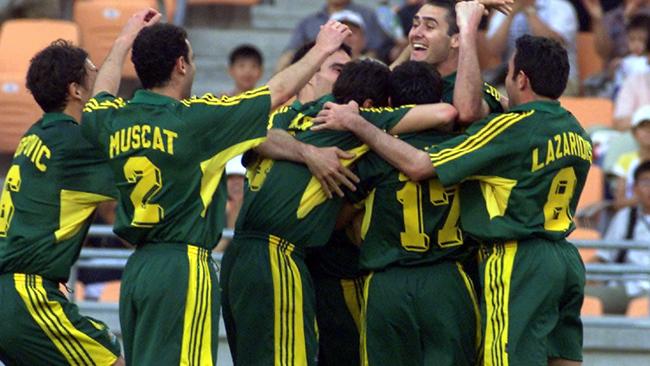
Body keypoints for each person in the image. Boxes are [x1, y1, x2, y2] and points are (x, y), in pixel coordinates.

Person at [80, 19, 353, 365]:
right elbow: (276, 92)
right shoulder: (196, 119)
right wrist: (322, 48)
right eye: (191, 59)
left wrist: (123, 41)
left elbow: (101, 93)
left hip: (136, 270)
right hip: (183, 267)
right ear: (181, 65)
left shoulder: (113, 118)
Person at [314, 31, 592, 366]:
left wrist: (358, 124)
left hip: (515, 257)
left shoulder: (510, 127)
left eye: (507, 74)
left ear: (522, 79)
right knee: (563, 356)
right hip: (561, 257)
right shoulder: (578, 131)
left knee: (504, 358)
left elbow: (419, 164)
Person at [221, 57, 457, 365]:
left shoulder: (292, 116)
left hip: (238, 254)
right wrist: (352, 123)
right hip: (279, 255)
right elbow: (445, 112)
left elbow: (250, 134)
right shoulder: (356, 122)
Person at [0, 8, 159, 365]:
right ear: (75, 90)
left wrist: (123, 40)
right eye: (93, 73)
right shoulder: (75, 146)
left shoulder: (36, 135)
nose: (100, 79)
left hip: (12, 293)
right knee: (113, 360)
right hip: (28, 297)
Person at [344, 60, 480, 366]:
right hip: (448, 279)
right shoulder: (464, 147)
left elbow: (340, 216)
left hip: (387, 281)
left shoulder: (375, 156)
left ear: (390, 104)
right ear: (441, 101)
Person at [587, 161, 650, 314]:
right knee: (573, 296)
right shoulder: (625, 216)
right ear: (635, 188)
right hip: (626, 287)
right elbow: (603, 256)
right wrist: (586, 276)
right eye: (646, 182)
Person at [485, 0, 580, 95]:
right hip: (514, 79)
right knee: (493, 98)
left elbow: (553, 44)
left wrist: (530, 11)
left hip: (556, 80)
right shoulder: (505, 7)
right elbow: (493, 50)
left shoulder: (561, 7)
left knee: (534, 99)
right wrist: (510, 15)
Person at [275, 0, 391, 71]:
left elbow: (377, 49)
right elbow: (290, 52)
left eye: (351, 32)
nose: (346, 37)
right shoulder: (308, 21)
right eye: (339, 30)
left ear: (363, 39)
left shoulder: (367, 15)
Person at [612, 105, 650, 209]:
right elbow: (618, 203)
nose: (648, 131)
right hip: (632, 216)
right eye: (643, 126)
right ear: (634, 133)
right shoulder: (625, 160)